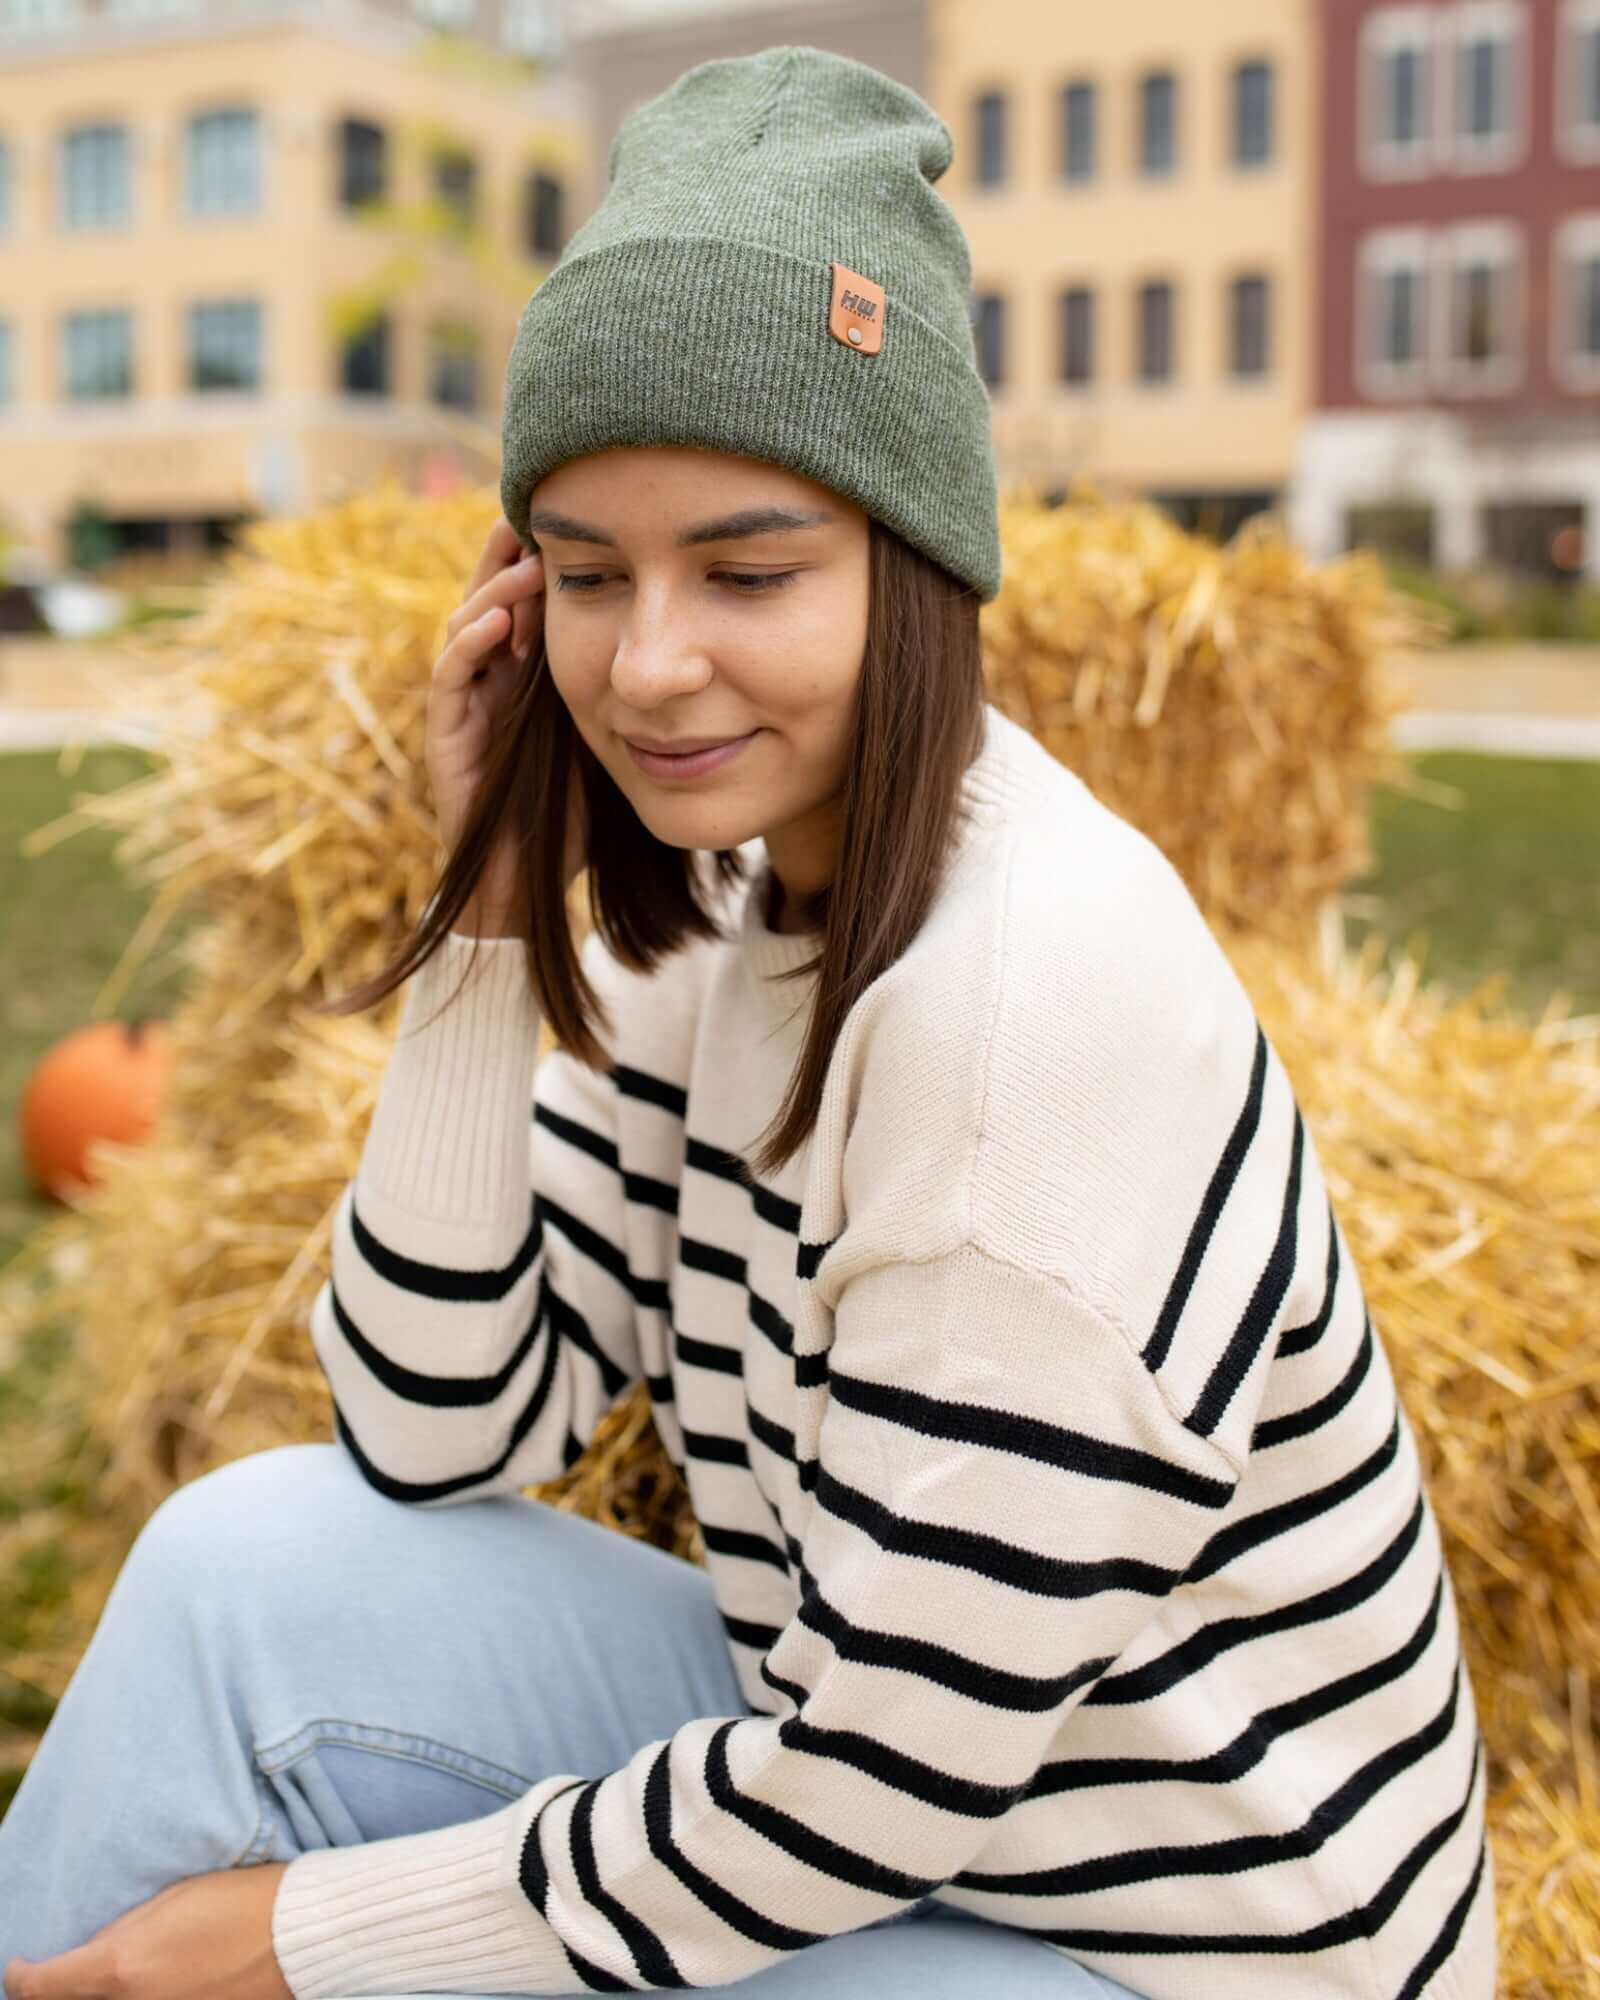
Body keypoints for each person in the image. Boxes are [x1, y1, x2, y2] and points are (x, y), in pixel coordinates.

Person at [0, 44, 1493, 2000]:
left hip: (1182, 1945)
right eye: (591, 577)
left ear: (916, 561)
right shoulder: (730, 890)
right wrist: (484, 917)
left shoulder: (1021, 1006)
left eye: (748, 568)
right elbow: (432, 1430)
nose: (650, 665)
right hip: (916, 1810)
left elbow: (876, 1785)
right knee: (242, 1566)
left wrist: (293, 1943)